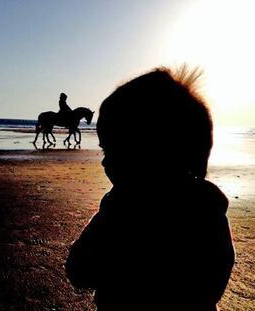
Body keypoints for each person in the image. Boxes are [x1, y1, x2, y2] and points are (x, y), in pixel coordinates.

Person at [65, 67, 235, 310]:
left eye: (114, 150)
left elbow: (79, 270)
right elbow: (214, 281)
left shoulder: (121, 211)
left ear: (153, 150)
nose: (105, 161)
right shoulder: (208, 210)